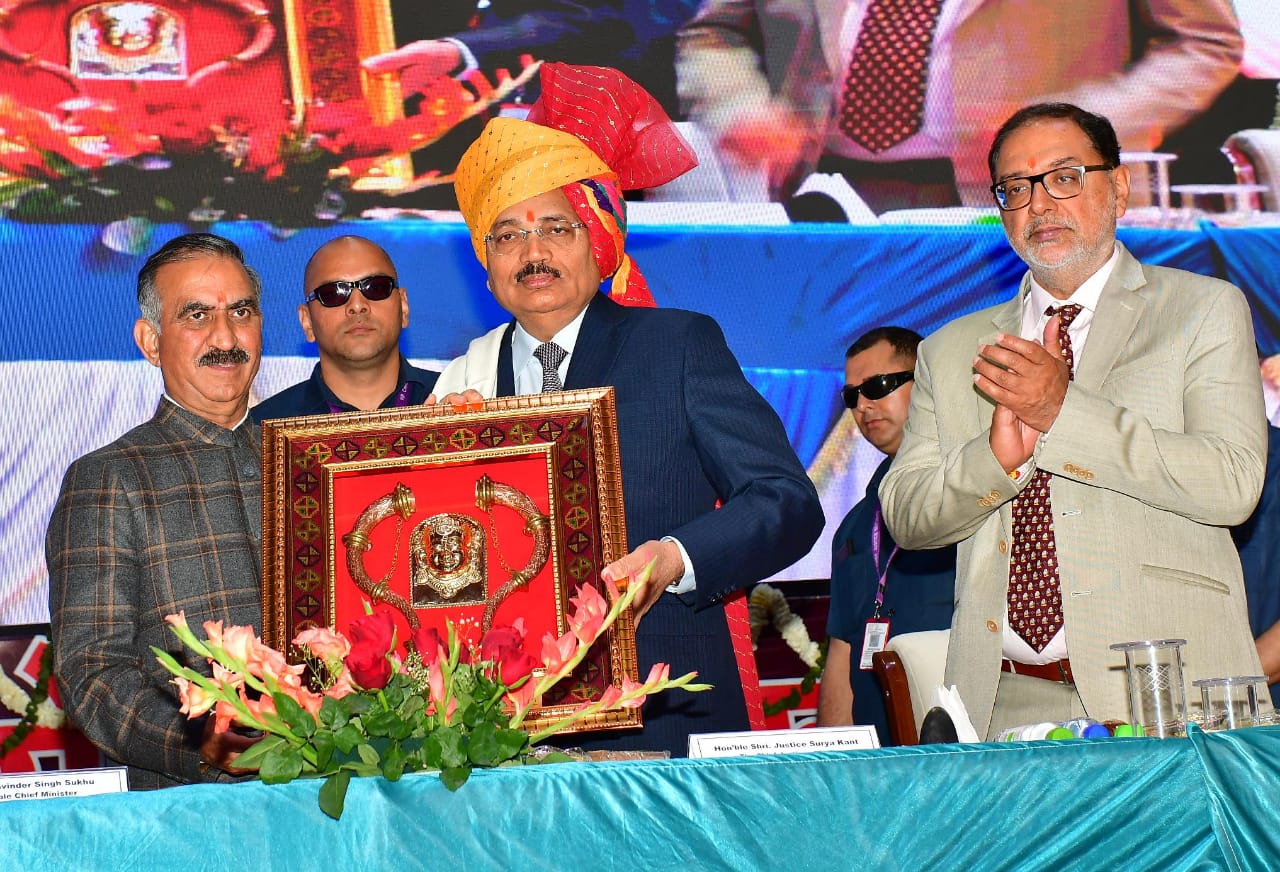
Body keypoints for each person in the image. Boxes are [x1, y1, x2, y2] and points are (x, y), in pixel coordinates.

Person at [433, 63, 825, 755]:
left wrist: (676, 558)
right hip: (501, 727)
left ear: (599, 242)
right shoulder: (461, 382)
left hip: (664, 706)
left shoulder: (675, 345)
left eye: (556, 228)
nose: (533, 253)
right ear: (486, 266)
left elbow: (785, 502)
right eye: (507, 235)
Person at [879, 103, 1267, 740]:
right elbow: (907, 516)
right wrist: (994, 462)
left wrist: (1062, 413)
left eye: (1064, 177)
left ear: (1119, 187)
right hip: (1000, 700)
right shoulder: (950, 350)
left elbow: (1232, 484)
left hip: (1163, 692)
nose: (1038, 204)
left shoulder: (1202, 309)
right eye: (1015, 188)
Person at [46, 233, 265, 787]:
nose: (225, 337)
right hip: (195, 803)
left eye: (241, 312)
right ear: (150, 341)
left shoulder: (309, 460)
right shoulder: (108, 478)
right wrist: (205, 744)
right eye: (197, 315)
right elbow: (92, 673)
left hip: (345, 790)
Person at [674, 1, 1242, 212]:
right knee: (847, 414)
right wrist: (740, 107)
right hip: (825, 196)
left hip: (1037, 197)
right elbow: (716, 32)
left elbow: (1204, 42)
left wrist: (1070, 127)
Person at [816, 327, 955, 743]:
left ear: (927, 382)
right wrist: (835, 763)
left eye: (877, 386)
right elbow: (842, 652)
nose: (863, 405)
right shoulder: (854, 526)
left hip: (967, 747)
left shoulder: (972, 494)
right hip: (880, 758)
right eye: (851, 396)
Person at [251, 235, 437, 421]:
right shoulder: (261, 429)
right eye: (333, 293)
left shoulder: (450, 398)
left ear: (403, 307)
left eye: (376, 287)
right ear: (307, 322)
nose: (357, 305)